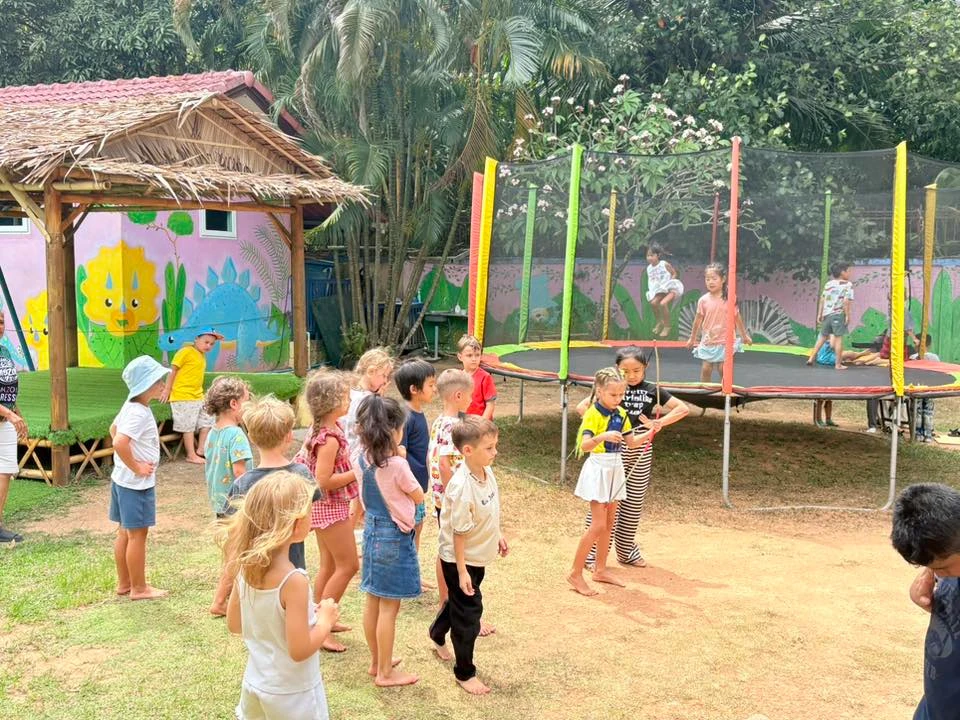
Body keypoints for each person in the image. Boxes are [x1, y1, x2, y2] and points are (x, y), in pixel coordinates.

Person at [224, 471, 340, 720]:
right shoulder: (294, 581)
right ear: (297, 524)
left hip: (256, 683)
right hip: (293, 693)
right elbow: (299, 650)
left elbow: (234, 624)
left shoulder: (244, 567)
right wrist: (325, 620)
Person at [575, 347, 687, 567]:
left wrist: (658, 424)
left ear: (645, 368)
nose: (632, 376)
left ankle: (626, 550)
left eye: (637, 370)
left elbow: (681, 409)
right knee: (603, 502)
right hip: (611, 450)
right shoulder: (613, 387)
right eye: (625, 371)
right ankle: (592, 555)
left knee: (633, 501)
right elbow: (582, 408)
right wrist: (601, 428)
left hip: (639, 446)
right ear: (617, 369)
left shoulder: (651, 389)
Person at [210, 395, 316, 618]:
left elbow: (234, 535)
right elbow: (308, 521)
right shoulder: (301, 474)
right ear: (289, 436)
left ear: (250, 436)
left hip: (254, 574)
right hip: (292, 566)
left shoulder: (243, 484)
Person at [429, 416, 508, 695]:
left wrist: (497, 534)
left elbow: (489, 511)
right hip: (459, 560)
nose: (495, 452)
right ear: (467, 451)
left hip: (476, 557)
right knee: (469, 615)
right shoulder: (462, 486)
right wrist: (461, 571)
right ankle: (465, 673)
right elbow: (458, 534)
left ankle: (436, 633)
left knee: (460, 603)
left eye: (495, 445)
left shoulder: (486, 471)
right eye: (489, 447)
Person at [354, 395, 424, 687]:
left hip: (371, 532)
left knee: (373, 600)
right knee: (389, 609)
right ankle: (385, 672)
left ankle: (376, 661)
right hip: (394, 537)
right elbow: (418, 494)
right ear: (394, 431)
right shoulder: (397, 465)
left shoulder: (360, 458)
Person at [567, 367, 655, 597]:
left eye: (621, 394)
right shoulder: (592, 414)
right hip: (599, 469)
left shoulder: (621, 413)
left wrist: (651, 431)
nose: (618, 399)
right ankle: (575, 573)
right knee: (597, 525)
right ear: (599, 391)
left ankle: (600, 569)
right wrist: (603, 436)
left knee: (609, 523)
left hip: (615, 469)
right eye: (613, 394)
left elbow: (632, 442)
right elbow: (585, 445)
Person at [294, 368, 358, 652]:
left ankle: (319, 619)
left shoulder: (327, 428)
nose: (349, 400)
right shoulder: (329, 438)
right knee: (349, 565)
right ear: (331, 403)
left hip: (325, 507)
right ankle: (322, 625)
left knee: (330, 565)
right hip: (329, 507)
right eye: (345, 397)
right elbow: (323, 480)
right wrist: (357, 472)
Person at [891, 483, 960, 720]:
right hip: (935, 706)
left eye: (943, 568)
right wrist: (930, 573)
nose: (941, 574)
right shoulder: (949, 547)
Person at [109, 355, 170, 600]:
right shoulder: (139, 413)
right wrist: (136, 467)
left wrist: (128, 465)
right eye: (158, 381)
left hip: (121, 480)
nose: (163, 384)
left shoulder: (130, 406)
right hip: (136, 484)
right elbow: (119, 441)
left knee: (125, 532)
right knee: (138, 535)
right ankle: (139, 588)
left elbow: (113, 429)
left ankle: (125, 583)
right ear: (146, 385)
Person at [428, 369, 473, 608]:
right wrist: (453, 498)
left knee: (446, 548)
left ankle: (446, 602)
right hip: (450, 499)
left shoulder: (438, 422)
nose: (471, 400)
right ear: (458, 396)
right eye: (469, 395)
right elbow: (444, 464)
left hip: (441, 497)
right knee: (455, 551)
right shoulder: (453, 426)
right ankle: (450, 603)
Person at [394, 358, 437, 579]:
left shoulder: (417, 412)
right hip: (409, 488)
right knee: (411, 530)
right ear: (414, 389)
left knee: (417, 528)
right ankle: (407, 576)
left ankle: (412, 574)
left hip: (418, 485)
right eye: (430, 384)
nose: (435, 389)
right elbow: (399, 451)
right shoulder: (406, 416)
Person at [161, 327, 223, 464]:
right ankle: (191, 455)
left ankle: (201, 449)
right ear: (196, 339)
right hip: (183, 395)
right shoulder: (185, 351)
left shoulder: (201, 355)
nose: (209, 346)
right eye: (206, 342)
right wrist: (167, 389)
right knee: (188, 426)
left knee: (208, 419)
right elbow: (173, 371)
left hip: (198, 395)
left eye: (212, 344)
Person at [686, 263, 752, 383]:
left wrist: (744, 336)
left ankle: (725, 391)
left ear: (723, 279)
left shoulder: (730, 298)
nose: (710, 282)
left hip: (725, 340)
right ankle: (705, 392)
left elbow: (737, 317)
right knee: (706, 369)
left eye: (714, 278)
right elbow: (697, 320)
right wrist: (692, 338)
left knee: (723, 369)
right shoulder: (703, 300)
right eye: (707, 279)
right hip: (709, 340)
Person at [203, 376, 253, 517]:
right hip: (237, 505)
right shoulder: (237, 435)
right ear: (234, 403)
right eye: (246, 401)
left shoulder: (212, 432)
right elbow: (239, 472)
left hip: (219, 502)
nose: (249, 407)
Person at [0, 311, 28, 544]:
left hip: (6, 421)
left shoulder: (5, 351)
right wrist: (9, 414)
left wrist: (17, 414)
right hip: (4, 416)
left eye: (1, 322)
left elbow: (8, 389)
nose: (0, 326)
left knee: (5, 471)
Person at [342, 347, 395, 457]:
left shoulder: (352, 392)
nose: (385, 381)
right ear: (370, 372)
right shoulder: (366, 399)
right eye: (384, 376)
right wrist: (378, 402)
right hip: (357, 454)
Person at [806, 262, 853, 370]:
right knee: (838, 338)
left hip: (827, 314)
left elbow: (823, 299)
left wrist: (820, 313)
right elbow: (846, 301)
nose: (850, 273)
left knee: (822, 337)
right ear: (842, 272)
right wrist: (847, 315)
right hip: (838, 315)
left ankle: (811, 358)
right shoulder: (848, 284)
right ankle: (838, 364)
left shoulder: (829, 284)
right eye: (848, 271)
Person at [645, 243, 684, 339]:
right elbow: (652, 281)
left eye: (651, 255)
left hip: (671, 289)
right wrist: (655, 290)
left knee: (663, 304)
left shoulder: (664, 264)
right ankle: (659, 322)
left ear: (658, 255)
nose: (649, 258)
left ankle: (667, 326)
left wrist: (670, 282)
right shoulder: (649, 268)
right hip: (661, 290)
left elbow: (674, 273)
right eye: (648, 255)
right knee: (653, 303)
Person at [457, 335, 496, 420]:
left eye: (477, 355)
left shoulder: (485, 377)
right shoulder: (458, 377)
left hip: (480, 423)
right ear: (460, 357)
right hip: (463, 423)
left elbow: (490, 405)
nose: (474, 359)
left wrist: (482, 423)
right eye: (469, 355)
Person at [911, 335, 939, 443]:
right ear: (929, 344)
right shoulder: (935, 358)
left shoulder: (913, 357)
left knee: (917, 411)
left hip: (917, 388)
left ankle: (918, 434)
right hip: (930, 388)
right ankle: (928, 435)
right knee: (928, 412)